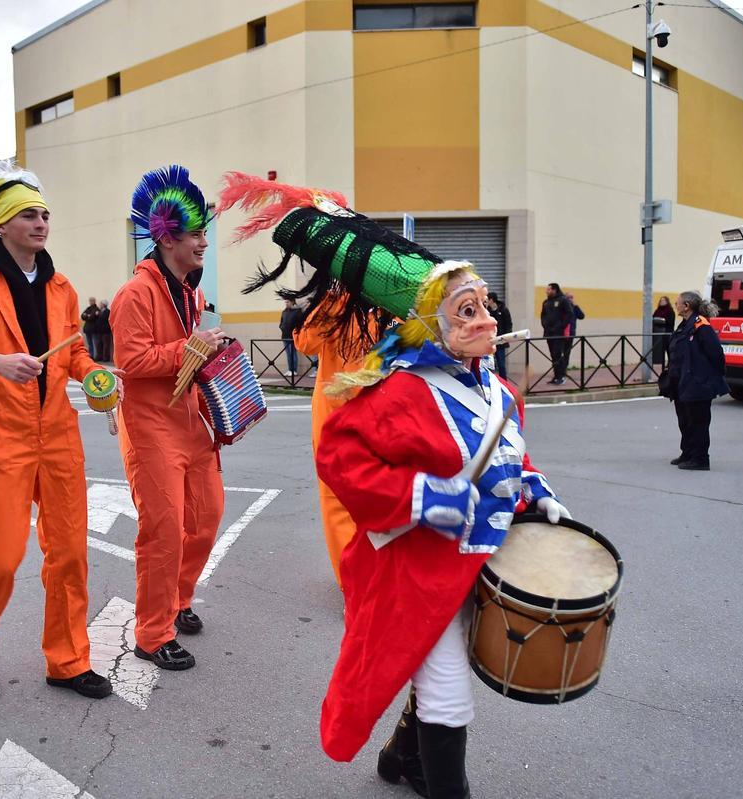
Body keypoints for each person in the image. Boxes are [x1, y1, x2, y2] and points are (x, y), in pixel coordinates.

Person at [215, 174, 569, 798]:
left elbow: (508, 449)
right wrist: (427, 498)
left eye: (485, 305)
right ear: (433, 324)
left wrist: (534, 490)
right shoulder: (399, 392)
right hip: (412, 569)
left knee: (440, 667)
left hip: (476, 563)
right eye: (468, 310)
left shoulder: (499, 389)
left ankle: (401, 758)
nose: (487, 319)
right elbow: (339, 460)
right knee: (448, 689)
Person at [0, 160, 118, 703]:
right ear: (3, 223)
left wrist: (93, 373)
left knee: (70, 555)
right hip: (3, 437)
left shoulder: (61, 286)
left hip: (59, 434)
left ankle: (68, 661)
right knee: (1, 558)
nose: (40, 223)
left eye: (44, 214)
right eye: (28, 215)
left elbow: (76, 350)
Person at [111, 165, 225, 671]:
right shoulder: (133, 294)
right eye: (197, 233)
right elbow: (133, 363)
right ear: (169, 238)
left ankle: (178, 601)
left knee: (206, 518)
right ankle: (152, 633)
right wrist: (189, 348)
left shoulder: (192, 292)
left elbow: (189, 357)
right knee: (162, 529)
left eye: (204, 232)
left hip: (190, 421)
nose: (204, 241)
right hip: (149, 425)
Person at [293, 293, 384, 586]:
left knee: (338, 500)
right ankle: (373, 575)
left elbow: (306, 342)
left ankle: (357, 581)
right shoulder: (388, 304)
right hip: (379, 411)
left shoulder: (336, 302)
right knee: (377, 495)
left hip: (338, 413)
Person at [665, 292, 728, 471]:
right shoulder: (685, 324)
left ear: (686, 306)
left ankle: (700, 458)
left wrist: (708, 377)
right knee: (685, 420)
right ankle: (687, 452)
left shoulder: (701, 325)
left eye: (677, 303)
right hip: (681, 382)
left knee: (698, 422)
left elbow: (716, 354)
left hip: (697, 382)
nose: (675, 305)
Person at [540, 282, 574, 384]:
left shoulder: (563, 300)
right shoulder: (546, 302)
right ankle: (556, 376)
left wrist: (561, 326)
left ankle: (561, 376)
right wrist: (544, 324)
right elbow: (543, 315)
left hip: (558, 333)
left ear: (554, 290)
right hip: (549, 333)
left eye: (549, 289)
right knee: (553, 356)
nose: (547, 291)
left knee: (558, 354)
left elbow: (570, 313)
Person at [485, 291, 512, 379]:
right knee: (489, 364)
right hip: (489, 341)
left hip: (500, 341)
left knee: (501, 364)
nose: (486, 302)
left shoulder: (503, 309)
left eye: (487, 300)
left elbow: (508, 324)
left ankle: (504, 382)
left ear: (491, 300)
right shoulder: (486, 310)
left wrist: (506, 337)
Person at [279, 298, 305, 377]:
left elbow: (300, 323)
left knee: (293, 353)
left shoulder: (297, 311)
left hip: (293, 336)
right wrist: (282, 327)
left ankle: (294, 370)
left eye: (288, 302)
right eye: (285, 302)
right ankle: (290, 369)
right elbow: (281, 322)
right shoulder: (284, 312)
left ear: (292, 302)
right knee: (288, 354)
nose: (286, 303)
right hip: (285, 336)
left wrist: (296, 332)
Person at [651, 295, 674, 367]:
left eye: (663, 300)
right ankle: (661, 364)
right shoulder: (657, 310)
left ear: (667, 302)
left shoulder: (670, 311)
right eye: (661, 300)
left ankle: (670, 363)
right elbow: (653, 318)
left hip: (667, 333)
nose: (662, 302)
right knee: (659, 350)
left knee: (668, 349)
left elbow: (670, 322)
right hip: (657, 333)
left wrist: (661, 321)